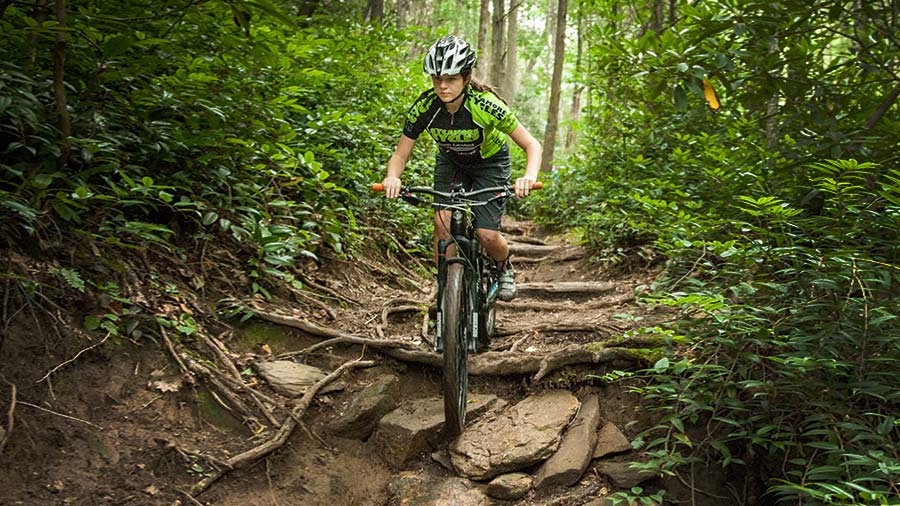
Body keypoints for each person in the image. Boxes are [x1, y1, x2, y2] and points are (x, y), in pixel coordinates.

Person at [381, 35, 542, 302]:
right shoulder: (425, 107)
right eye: (437, 79)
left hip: (489, 163)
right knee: (440, 226)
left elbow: (531, 144)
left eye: (451, 78)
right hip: (451, 163)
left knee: (487, 235)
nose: (443, 86)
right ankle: (445, 289)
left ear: (466, 78)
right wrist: (392, 178)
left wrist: (529, 176)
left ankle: (504, 268)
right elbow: (401, 153)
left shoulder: (486, 104)